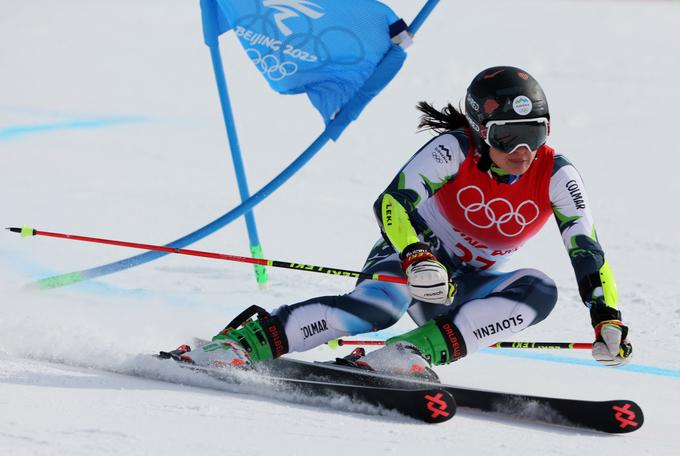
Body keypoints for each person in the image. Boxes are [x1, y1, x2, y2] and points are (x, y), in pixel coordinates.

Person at [170, 66, 633, 374]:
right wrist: (415, 255)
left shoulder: (557, 174)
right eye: (507, 136)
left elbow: (586, 251)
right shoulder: (454, 149)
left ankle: (407, 353)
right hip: (412, 257)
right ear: (478, 131)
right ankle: (239, 346)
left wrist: (606, 318)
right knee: (380, 308)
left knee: (539, 290)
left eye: (533, 134)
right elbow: (391, 203)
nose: (522, 152)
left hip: (467, 287)